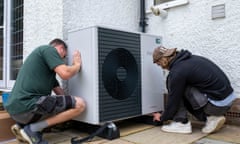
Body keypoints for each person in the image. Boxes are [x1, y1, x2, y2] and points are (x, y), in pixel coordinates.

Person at [4, 38, 86, 144]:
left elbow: (61, 95)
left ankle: (22, 126)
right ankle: (32, 130)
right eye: (64, 56)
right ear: (60, 48)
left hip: (16, 110)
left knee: (62, 104)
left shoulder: (48, 73)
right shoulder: (48, 49)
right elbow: (65, 74)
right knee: (80, 104)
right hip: (28, 106)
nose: (63, 59)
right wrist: (77, 65)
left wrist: (69, 107)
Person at [152, 46, 236, 134]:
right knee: (179, 84)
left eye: (159, 64)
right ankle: (212, 118)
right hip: (226, 102)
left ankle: (181, 123)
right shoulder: (190, 60)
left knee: (173, 83)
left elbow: (174, 99)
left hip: (216, 105)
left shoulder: (177, 71)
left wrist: (162, 117)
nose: (161, 67)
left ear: (163, 60)